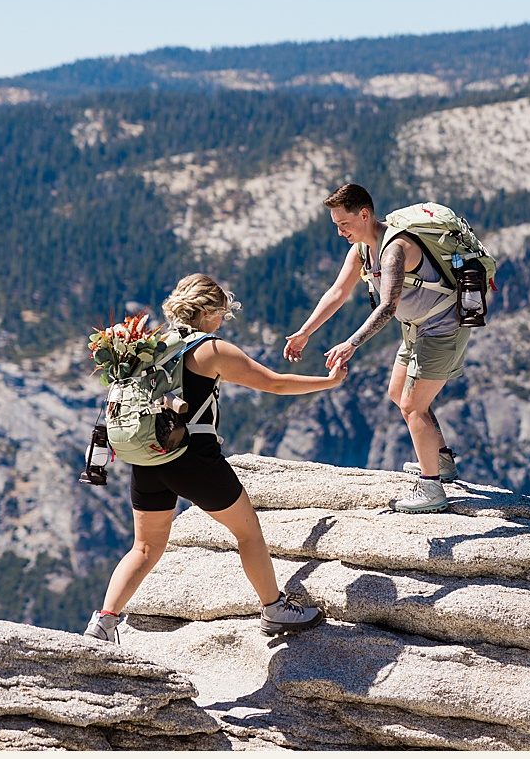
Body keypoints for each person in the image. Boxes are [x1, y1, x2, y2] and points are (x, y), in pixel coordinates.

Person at [86, 274, 345, 642]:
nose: (223, 320)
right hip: (193, 459)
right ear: (207, 312)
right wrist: (328, 382)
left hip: (147, 458)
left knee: (144, 547)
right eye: (222, 312)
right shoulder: (210, 349)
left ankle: (104, 622)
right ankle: (273, 609)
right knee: (248, 533)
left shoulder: (149, 344)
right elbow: (274, 383)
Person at [283, 183, 465, 513]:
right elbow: (337, 293)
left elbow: (388, 307)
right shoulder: (362, 250)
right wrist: (304, 333)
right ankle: (443, 462)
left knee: (413, 406)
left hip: (441, 330)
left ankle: (432, 489)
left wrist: (351, 343)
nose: (339, 232)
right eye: (336, 225)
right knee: (399, 393)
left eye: (344, 224)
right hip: (416, 331)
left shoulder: (395, 249)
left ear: (364, 214)